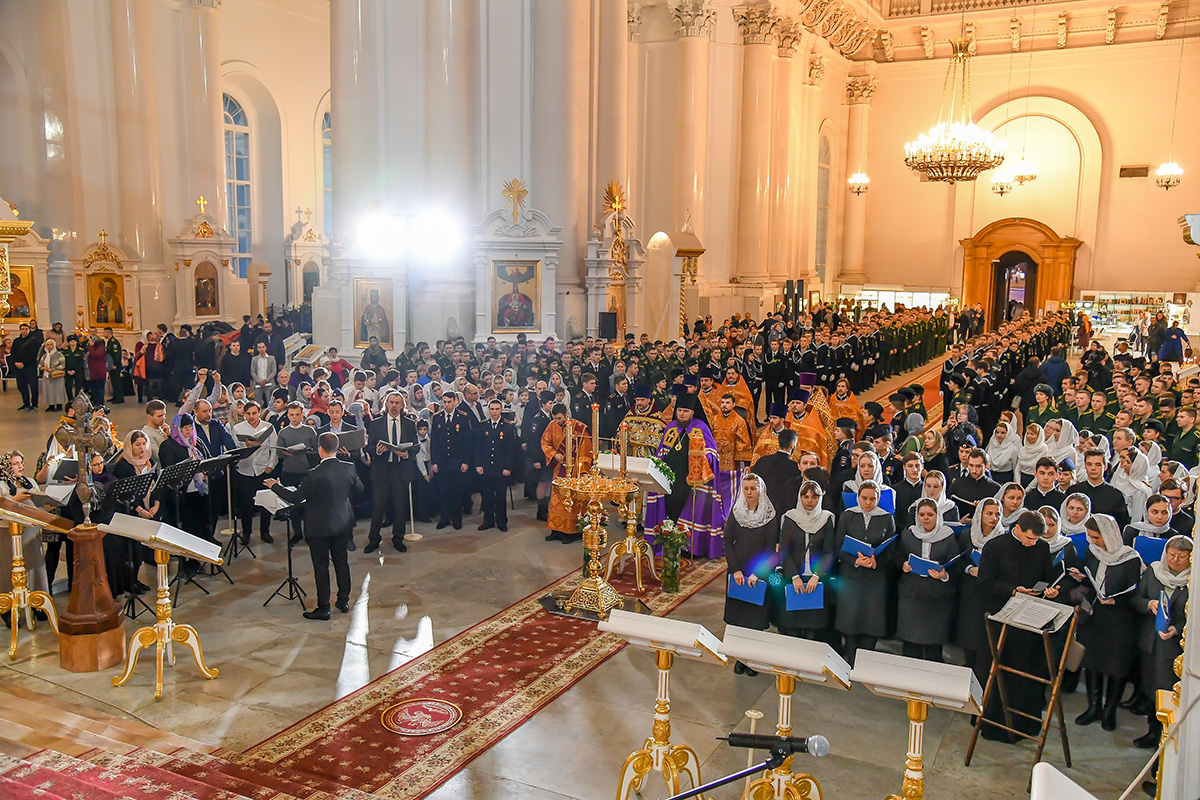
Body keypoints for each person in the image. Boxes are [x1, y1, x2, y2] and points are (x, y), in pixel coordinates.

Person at [976, 510, 1063, 742]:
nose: (1031, 544)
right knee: (998, 671)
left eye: (1035, 540)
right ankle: (993, 724)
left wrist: (1049, 590)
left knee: (1025, 673)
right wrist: (1013, 590)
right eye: (1028, 538)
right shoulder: (995, 547)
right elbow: (984, 582)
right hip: (1000, 617)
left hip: (1029, 622)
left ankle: (1024, 724)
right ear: (1017, 529)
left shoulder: (1042, 548)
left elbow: (1046, 576)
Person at [265, 432, 363, 620]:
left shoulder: (314, 474)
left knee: (321, 567)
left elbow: (295, 498)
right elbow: (359, 489)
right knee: (342, 563)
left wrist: (275, 487)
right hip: (342, 523)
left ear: (320, 449)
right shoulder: (349, 468)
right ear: (336, 447)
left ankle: (324, 608)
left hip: (319, 527)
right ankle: (343, 601)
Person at [1070, 514, 1144, 731]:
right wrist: (1081, 579)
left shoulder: (1130, 559)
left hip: (1121, 619)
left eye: (1097, 538)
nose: (1094, 542)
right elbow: (1092, 579)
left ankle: (1109, 710)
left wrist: (1117, 599)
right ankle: (1094, 707)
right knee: (1092, 663)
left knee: (1116, 666)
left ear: (1109, 535)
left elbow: (1136, 591)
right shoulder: (1091, 552)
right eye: (1091, 538)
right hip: (1095, 616)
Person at [1131, 535, 1190, 748]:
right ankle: (1152, 732)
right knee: (1149, 689)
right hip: (1150, 641)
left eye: (1181, 557)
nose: (1175, 560)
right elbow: (1135, 600)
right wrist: (1149, 604)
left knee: (1166, 692)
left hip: (1174, 649)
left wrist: (1179, 629)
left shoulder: (1193, 581)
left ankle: (1164, 738)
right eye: (1171, 555)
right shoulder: (1154, 573)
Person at [833, 481, 896, 666]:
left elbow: (891, 550)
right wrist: (855, 561)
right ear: (858, 497)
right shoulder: (848, 516)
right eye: (864, 498)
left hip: (875, 577)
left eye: (872, 498)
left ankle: (867, 655)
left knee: (872, 616)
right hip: (851, 574)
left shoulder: (886, 517)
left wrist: (877, 561)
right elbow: (838, 547)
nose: (868, 502)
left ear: (878, 498)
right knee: (850, 615)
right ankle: (851, 654)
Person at [723, 473, 779, 676]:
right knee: (738, 619)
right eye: (745, 488)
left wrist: (757, 574)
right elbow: (728, 541)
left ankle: (753, 661)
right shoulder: (736, 512)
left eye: (753, 489)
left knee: (754, 620)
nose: (749, 493)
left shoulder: (769, 515)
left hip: (758, 575)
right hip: (738, 571)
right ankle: (740, 659)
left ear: (760, 490)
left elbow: (770, 550)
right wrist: (736, 569)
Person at [897, 498, 962, 662]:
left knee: (933, 645)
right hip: (912, 593)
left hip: (937, 597)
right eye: (922, 514)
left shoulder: (947, 536)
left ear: (937, 515)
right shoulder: (908, 534)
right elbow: (897, 557)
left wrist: (944, 575)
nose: (925, 518)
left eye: (930, 514)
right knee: (910, 642)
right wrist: (903, 565)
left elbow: (956, 566)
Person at [777, 480, 835, 641]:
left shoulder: (826, 519)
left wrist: (817, 575)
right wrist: (794, 577)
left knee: (813, 631)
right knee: (793, 629)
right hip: (794, 579)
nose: (810, 501)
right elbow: (784, 550)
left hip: (816, 581)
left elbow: (829, 551)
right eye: (806, 496)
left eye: (814, 497)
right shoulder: (790, 518)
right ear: (799, 497)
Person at [956, 497, 1003, 681]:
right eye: (989, 513)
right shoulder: (967, 535)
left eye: (997, 514)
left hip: (990, 592)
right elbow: (958, 559)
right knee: (969, 631)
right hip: (970, 589)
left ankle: (983, 675)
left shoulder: (1002, 538)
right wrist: (969, 568)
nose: (993, 518)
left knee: (985, 635)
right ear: (980, 514)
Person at [0, 450, 50, 617]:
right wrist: (16, 500)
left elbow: (39, 505)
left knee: (35, 566)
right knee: (10, 570)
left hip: (31, 532)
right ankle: (11, 611)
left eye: (21, 462)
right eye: (15, 463)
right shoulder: (1, 485)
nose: (20, 466)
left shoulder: (29, 482)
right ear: (6, 466)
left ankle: (38, 604)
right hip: (9, 534)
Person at [541, 403, 592, 543]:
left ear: (566, 414)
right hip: (559, 469)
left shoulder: (580, 428)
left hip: (575, 471)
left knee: (571, 502)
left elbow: (585, 450)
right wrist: (554, 455)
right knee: (556, 500)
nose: (557, 421)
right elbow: (545, 442)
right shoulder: (551, 426)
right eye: (555, 418)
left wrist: (582, 470)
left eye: (559, 418)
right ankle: (555, 530)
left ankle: (570, 532)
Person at [231, 401, 279, 544]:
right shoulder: (238, 428)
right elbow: (234, 447)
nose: (251, 417)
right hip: (245, 469)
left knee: (266, 502)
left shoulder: (268, 427)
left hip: (263, 469)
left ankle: (265, 531)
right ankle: (246, 533)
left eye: (254, 413)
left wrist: (271, 465)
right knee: (246, 504)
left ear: (259, 413)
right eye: (248, 414)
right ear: (244, 414)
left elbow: (274, 448)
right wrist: (246, 444)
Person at [276, 402, 319, 545]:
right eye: (291, 415)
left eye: (297, 415)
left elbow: (316, 451)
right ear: (288, 415)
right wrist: (285, 452)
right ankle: (297, 532)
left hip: (306, 472)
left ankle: (310, 533)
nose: (294, 418)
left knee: (308, 505)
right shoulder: (283, 432)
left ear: (302, 415)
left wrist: (306, 451)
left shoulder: (309, 431)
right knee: (292, 505)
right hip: (289, 471)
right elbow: (278, 454)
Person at [431, 391, 474, 531]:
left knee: (456, 491)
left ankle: (456, 518)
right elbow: (434, 442)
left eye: (449, 402)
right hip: (443, 461)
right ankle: (444, 518)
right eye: (444, 402)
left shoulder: (462, 418)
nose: (446, 405)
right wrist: (434, 462)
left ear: (455, 401)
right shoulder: (437, 418)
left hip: (457, 460)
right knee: (443, 491)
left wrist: (466, 461)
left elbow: (468, 442)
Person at [475, 399, 518, 532]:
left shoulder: (508, 427)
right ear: (489, 410)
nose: (494, 412)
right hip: (486, 467)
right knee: (487, 496)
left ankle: (501, 521)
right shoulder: (483, 426)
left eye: (497, 409)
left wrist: (508, 467)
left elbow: (511, 450)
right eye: (492, 409)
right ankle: (488, 521)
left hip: (501, 468)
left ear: (501, 410)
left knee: (500, 496)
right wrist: (478, 464)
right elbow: (478, 448)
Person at [38, 338, 66, 412]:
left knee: (58, 390)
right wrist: (43, 368)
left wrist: (52, 369)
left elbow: (62, 365)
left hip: (57, 375)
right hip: (47, 375)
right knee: (49, 390)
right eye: (48, 345)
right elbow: (39, 365)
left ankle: (59, 405)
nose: (49, 346)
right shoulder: (44, 355)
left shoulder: (59, 355)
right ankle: (51, 405)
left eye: (51, 344)